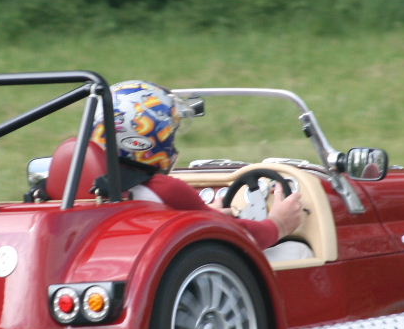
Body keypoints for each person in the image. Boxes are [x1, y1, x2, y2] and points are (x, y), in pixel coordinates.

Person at [93, 80, 305, 250]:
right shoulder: (163, 190)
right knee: (297, 250)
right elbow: (237, 236)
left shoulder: (83, 185)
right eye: (170, 136)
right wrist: (278, 223)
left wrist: (203, 216)